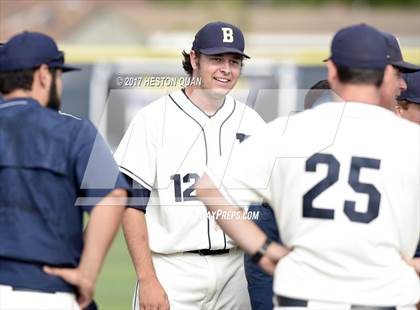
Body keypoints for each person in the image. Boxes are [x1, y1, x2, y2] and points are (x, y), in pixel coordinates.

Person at [197, 24, 419, 309]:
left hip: (303, 297)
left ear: (332, 72)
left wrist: (262, 248)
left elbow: (209, 187)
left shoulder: (288, 130)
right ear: (387, 74)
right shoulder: (410, 138)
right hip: (381, 296)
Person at [114, 21, 265, 309]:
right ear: (194, 59)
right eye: (216, 59)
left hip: (236, 270)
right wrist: (146, 279)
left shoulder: (252, 122)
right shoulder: (153, 120)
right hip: (173, 270)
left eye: (234, 61)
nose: (226, 69)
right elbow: (131, 205)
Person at [0, 31, 129, 310]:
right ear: (44, 75)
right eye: (59, 75)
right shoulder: (75, 131)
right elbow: (114, 197)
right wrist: (87, 273)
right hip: (45, 293)